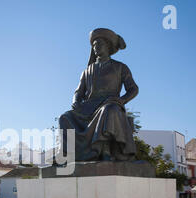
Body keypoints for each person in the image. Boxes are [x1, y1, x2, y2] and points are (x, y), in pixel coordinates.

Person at [59, 28, 139, 162]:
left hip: (109, 103)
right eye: (94, 46)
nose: (95, 48)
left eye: (99, 44)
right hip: (88, 107)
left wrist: (121, 100)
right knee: (65, 117)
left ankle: (105, 151)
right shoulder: (87, 70)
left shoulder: (120, 67)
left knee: (108, 110)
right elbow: (79, 92)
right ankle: (68, 155)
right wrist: (76, 101)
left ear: (108, 46)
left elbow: (133, 89)